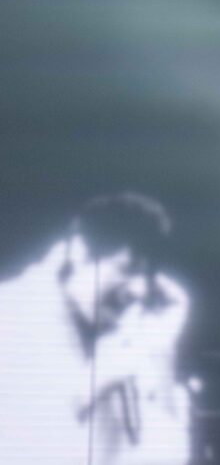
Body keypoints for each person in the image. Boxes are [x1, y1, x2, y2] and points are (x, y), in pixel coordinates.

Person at [0, 192, 191, 464]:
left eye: (146, 276)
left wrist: (161, 352)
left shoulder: (124, 338)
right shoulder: (9, 316)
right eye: (127, 269)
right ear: (78, 254)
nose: (139, 290)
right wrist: (97, 380)